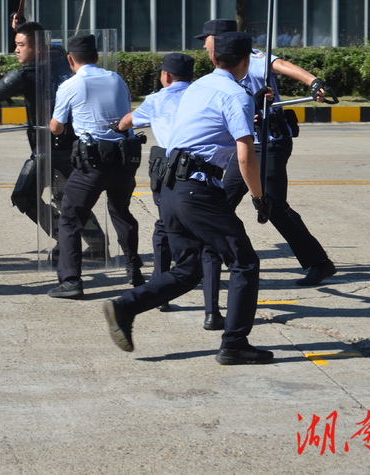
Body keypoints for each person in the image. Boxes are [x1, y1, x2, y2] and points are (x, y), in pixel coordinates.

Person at [102, 32, 274, 365]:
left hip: (169, 187)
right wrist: (259, 197)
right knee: (244, 261)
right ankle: (235, 344)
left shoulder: (198, 88)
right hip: (197, 189)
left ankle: (126, 306)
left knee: (189, 268)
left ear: (213, 59)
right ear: (245, 62)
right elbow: (245, 157)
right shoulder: (237, 97)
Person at [0, 21, 105, 256]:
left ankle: (70, 242)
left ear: (37, 48)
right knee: (64, 198)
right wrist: (24, 23)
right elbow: (40, 34)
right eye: (16, 44)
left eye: (21, 44)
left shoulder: (27, 72)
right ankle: (94, 245)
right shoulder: (62, 57)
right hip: (70, 144)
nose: (16, 50)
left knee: (27, 196)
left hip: (49, 146)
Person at [200, 19, 337, 287]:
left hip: (269, 142)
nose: (203, 45)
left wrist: (313, 81)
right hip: (246, 144)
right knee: (221, 203)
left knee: (274, 206)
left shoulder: (250, 57)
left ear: (219, 38)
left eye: (205, 39)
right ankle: (205, 261)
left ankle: (319, 263)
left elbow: (280, 65)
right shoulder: (221, 66)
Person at [117, 52, 224, 330]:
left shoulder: (156, 100)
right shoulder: (202, 95)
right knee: (209, 244)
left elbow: (128, 121)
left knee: (164, 229)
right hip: (205, 175)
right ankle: (212, 313)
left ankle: (160, 293)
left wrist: (117, 125)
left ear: (165, 76)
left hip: (167, 173)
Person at [47, 33, 142, 300]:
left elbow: (56, 127)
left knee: (70, 216)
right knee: (121, 211)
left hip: (93, 164)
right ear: (97, 57)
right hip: (125, 159)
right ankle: (134, 268)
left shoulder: (71, 85)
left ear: (70, 59)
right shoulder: (116, 78)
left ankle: (71, 281)